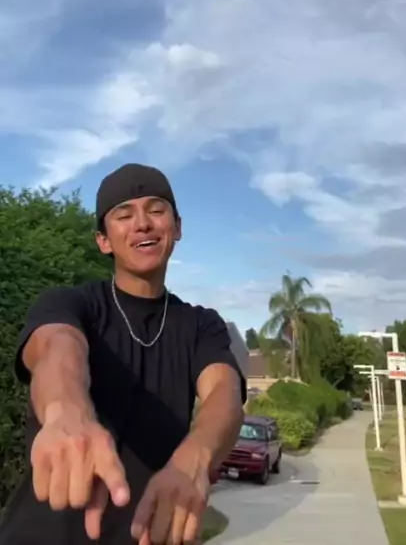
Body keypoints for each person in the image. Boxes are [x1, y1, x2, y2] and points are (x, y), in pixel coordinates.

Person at [0, 163, 245, 545]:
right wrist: (66, 410)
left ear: (177, 227)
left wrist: (196, 457)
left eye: (156, 210)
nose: (142, 224)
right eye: (124, 215)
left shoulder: (202, 325)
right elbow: (58, 348)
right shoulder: (70, 303)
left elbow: (223, 394)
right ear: (103, 240)